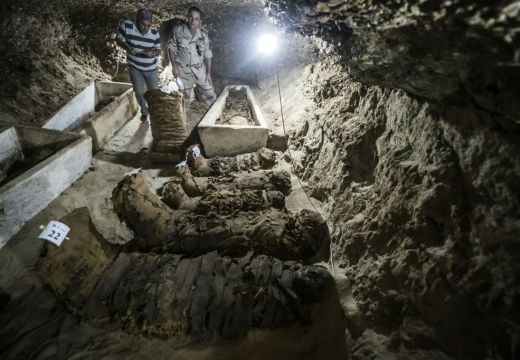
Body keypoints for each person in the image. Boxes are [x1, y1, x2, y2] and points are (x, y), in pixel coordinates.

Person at [116, 8, 161, 122]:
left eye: (148, 25)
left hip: (151, 68)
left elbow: (159, 50)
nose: (145, 28)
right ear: (137, 21)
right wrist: (126, 46)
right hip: (135, 67)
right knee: (139, 92)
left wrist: (153, 53)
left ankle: (156, 113)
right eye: (142, 24)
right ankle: (145, 112)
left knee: (154, 92)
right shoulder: (127, 26)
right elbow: (118, 39)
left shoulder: (154, 33)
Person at [167, 6, 216, 107]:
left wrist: (208, 73)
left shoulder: (203, 36)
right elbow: (171, 48)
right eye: (191, 17)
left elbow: (208, 54)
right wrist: (174, 67)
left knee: (211, 95)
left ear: (200, 21)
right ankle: (184, 119)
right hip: (183, 71)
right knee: (184, 100)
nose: (193, 21)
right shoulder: (178, 31)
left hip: (199, 70)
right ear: (187, 17)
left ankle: (214, 117)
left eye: (196, 18)